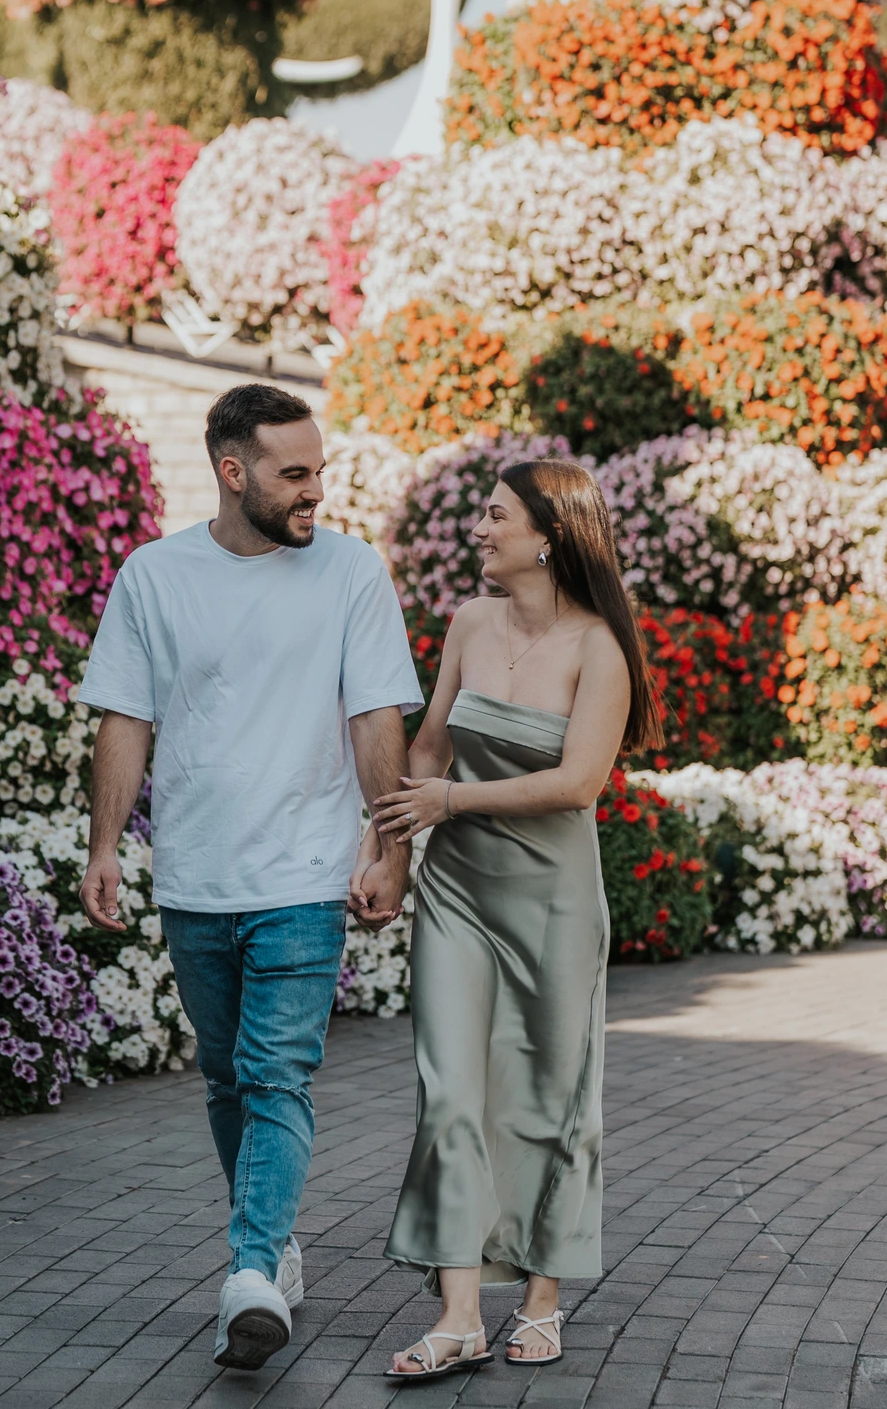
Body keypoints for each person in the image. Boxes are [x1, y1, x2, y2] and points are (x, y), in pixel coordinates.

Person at [77, 382, 423, 1372]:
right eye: (294, 473)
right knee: (228, 1081)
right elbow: (124, 719)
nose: (316, 490)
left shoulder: (352, 573)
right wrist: (107, 845)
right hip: (193, 876)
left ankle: (246, 1277)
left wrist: (386, 846)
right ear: (233, 473)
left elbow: (374, 718)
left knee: (278, 1076)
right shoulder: (153, 576)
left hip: (304, 876)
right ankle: (273, 1248)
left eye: (319, 469)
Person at [368, 457, 661, 1382]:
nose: (479, 530)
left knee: (547, 1095)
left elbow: (578, 783)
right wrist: (393, 857)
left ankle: (541, 1295)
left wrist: (451, 804)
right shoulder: (468, 621)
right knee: (450, 1092)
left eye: (494, 517)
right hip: (456, 893)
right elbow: (428, 744)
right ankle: (458, 1314)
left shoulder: (598, 648)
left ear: (550, 535)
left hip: (552, 900)